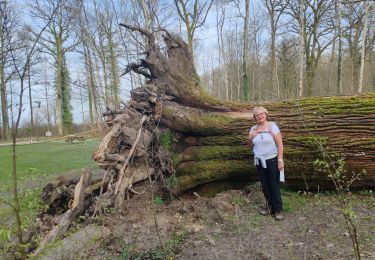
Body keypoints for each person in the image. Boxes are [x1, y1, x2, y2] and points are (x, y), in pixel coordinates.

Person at [248, 106, 284, 221]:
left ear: (266, 114)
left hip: (272, 160)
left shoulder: (272, 126)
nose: (260, 116)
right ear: (255, 118)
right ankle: (269, 207)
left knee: (274, 185)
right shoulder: (253, 129)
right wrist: (250, 138)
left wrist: (280, 160)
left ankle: (278, 210)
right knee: (265, 185)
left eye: (261, 114)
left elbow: (280, 145)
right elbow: (251, 145)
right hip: (259, 161)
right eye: (257, 115)